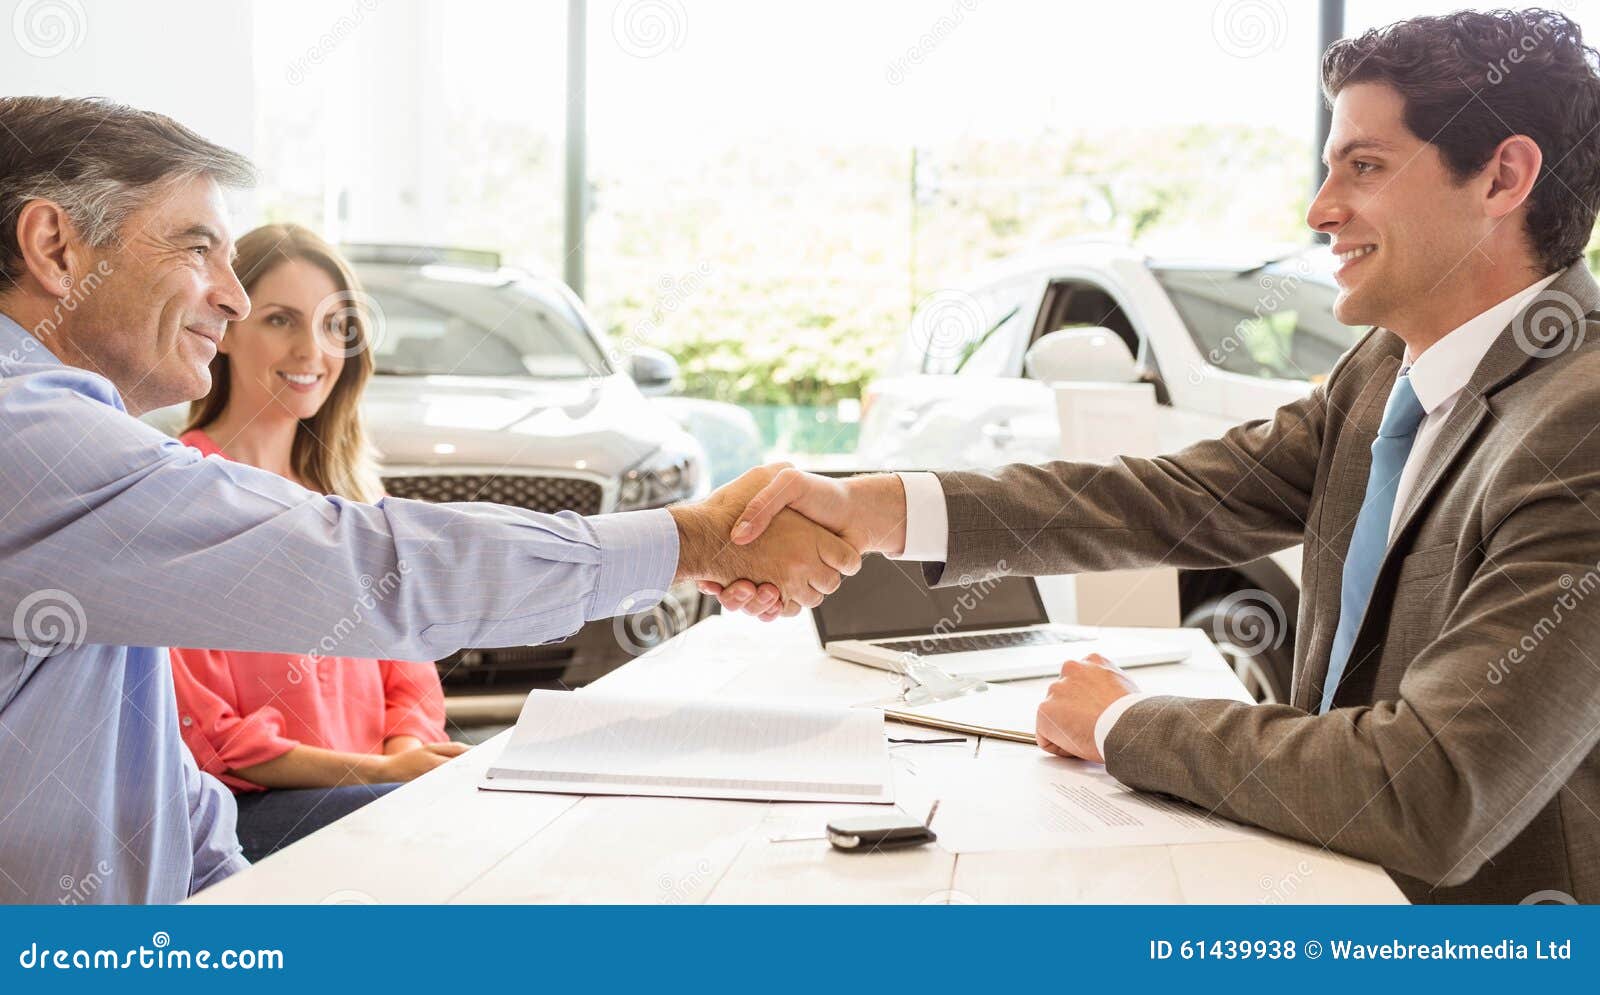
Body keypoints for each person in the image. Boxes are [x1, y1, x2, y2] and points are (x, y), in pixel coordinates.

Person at [711, 9, 1600, 904]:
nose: (1320, 210)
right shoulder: (1382, 372)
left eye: (1364, 166)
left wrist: (1124, 721)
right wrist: (869, 511)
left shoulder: (1584, 419)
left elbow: (1430, 788)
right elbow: (1173, 496)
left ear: (1504, 177)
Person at [0, 96, 859, 903]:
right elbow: (370, 569)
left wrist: (248, 918)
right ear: (55, 247)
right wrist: (698, 540)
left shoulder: (79, 448)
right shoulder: (27, 433)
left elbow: (154, 779)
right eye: (197, 248)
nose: (230, 293)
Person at [169, 224, 465, 863]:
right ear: (225, 328)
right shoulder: (183, 493)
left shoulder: (350, 495)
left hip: (370, 795)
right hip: (244, 818)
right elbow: (209, 734)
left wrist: (405, 755)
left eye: (335, 326)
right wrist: (383, 777)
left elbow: (407, 670)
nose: (312, 350)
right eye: (280, 319)